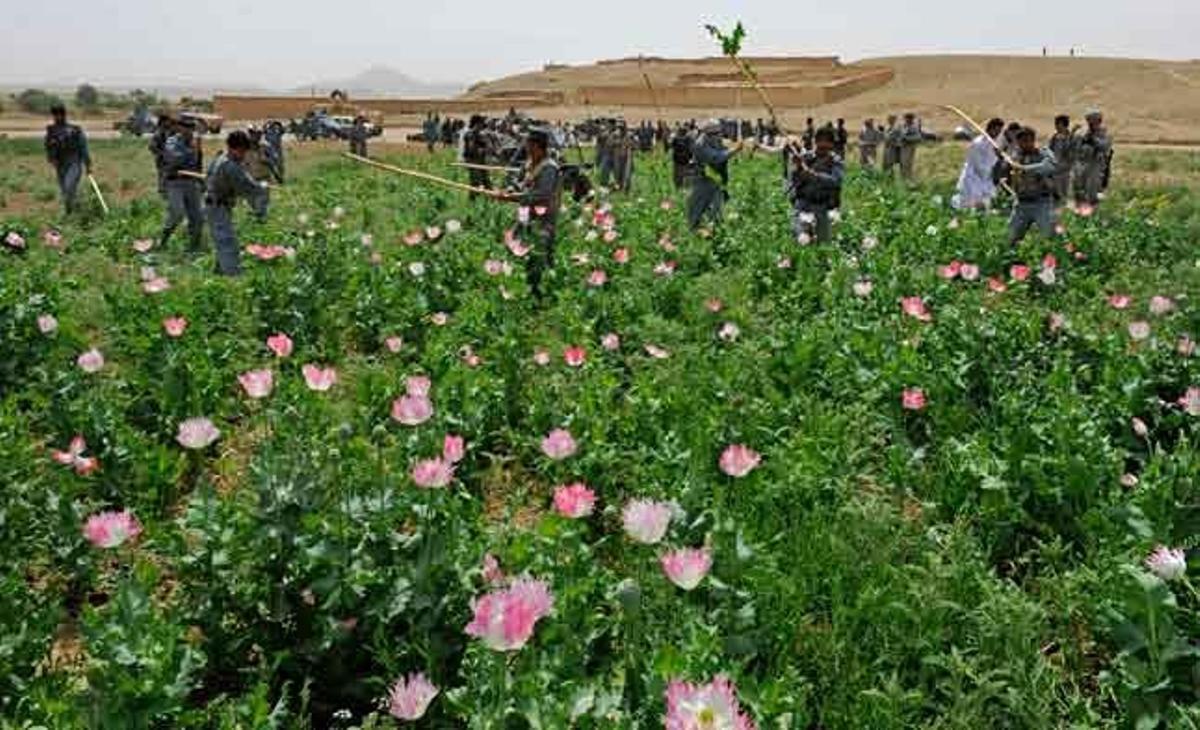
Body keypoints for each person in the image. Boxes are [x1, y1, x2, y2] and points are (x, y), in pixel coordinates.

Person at [492, 129, 560, 299]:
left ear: (538, 146)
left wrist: (514, 197)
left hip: (543, 218)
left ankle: (542, 292)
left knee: (540, 252)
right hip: (525, 215)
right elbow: (519, 183)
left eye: (529, 144)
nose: (526, 148)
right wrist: (509, 190)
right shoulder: (529, 164)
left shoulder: (549, 168)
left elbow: (542, 195)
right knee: (515, 246)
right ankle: (522, 287)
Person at [205, 131, 269, 276]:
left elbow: (208, 177)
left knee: (223, 240)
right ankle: (234, 277)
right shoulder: (230, 166)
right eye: (243, 151)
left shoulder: (220, 158)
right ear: (237, 149)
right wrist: (262, 187)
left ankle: (219, 272)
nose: (244, 155)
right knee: (227, 243)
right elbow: (247, 187)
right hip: (217, 207)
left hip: (217, 205)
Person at [995, 126, 1059, 245]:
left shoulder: (1044, 153)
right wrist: (1001, 158)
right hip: (1021, 204)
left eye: (1027, 141)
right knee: (1010, 237)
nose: (1024, 145)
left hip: (1042, 203)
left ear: (1033, 140)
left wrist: (1025, 168)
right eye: (1021, 142)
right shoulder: (1016, 155)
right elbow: (1007, 168)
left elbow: (1050, 167)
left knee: (1048, 237)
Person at [786, 127, 844, 243]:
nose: (823, 147)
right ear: (815, 142)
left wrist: (813, 175)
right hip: (803, 206)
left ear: (831, 145)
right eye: (820, 142)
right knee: (802, 242)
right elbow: (794, 182)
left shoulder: (835, 161)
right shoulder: (806, 158)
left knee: (823, 245)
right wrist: (798, 168)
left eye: (826, 143)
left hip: (822, 208)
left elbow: (835, 181)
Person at [687, 119, 745, 230]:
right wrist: (734, 150)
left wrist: (734, 146)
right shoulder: (700, 144)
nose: (718, 136)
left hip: (716, 182)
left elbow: (724, 149)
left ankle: (714, 235)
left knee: (716, 212)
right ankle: (694, 234)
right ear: (707, 133)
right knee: (697, 212)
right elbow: (716, 158)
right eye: (715, 133)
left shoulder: (714, 140)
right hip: (702, 182)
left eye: (719, 133)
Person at [160, 118, 205, 251]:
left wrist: (201, 181)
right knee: (177, 213)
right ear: (180, 128)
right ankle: (164, 240)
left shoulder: (195, 141)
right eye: (186, 127)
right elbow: (174, 158)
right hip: (175, 182)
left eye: (191, 128)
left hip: (192, 181)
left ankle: (194, 247)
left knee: (197, 217)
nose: (189, 131)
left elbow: (198, 161)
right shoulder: (172, 141)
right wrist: (191, 149)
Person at [43, 104, 92, 215]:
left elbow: (83, 147)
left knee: (69, 187)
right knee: (65, 191)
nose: (58, 117)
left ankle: (73, 210)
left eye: (60, 114)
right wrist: (51, 158)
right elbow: (47, 147)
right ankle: (71, 212)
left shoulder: (75, 130)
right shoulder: (51, 131)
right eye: (55, 115)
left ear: (64, 115)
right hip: (60, 165)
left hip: (74, 162)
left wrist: (88, 164)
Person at [953, 117, 1004, 210]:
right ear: (990, 129)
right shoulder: (978, 143)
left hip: (986, 178)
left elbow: (993, 161)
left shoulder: (995, 143)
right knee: (969, 204)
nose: (997, 134)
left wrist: (998, 157)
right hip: (973, 178)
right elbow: (979, 165)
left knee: (986, 203)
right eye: (996, 131)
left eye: (999, 131)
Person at [1073, 109, 1111, 209]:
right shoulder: (1081, 132)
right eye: (1090, 120)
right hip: (1081, 164)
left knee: (1092, 190)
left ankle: (1092, 211)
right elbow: (1074, 148)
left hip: (1095, 165)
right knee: (1079, 189)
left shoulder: (1103, 133)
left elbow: (1105, 146)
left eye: (1095, 120)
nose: (1092, 122)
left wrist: (1093, 140)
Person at [461, 115, 494, 199]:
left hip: (481, 161)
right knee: (475, 182)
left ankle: (490, 198)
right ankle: (473, 200)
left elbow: (488, 147)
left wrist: (485, 148)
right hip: (473, 161)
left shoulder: (481, 135)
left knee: (486, 181)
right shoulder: (470, 134)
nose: (482, 125)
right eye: (480, 123)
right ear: (476, 124)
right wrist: (481, 149)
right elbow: (471, 149)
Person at [1046, 115, 1073, 205]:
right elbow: (1049, 150)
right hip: (1055, 169)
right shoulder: (1054, 137)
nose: (1056, 126)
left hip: (1065, 170)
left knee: (1063, 193)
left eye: (1058, 124)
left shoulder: (1070, 138)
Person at [149, 115, 172, 198]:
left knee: (166, 176)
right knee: (162, 175)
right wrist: (162, 153)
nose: (169, 123)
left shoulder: (167, 132)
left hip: (168, 159)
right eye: (168, 121)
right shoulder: (158, 133)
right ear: (163, 122)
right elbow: (151, 146)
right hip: (162, 159)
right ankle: (163, 192)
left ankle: (165, 192)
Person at [898, 113, 923, 181]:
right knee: (902, 164)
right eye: (906, 118)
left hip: (909, 147)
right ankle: (903, 178)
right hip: (903, 147)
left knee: (907, 164)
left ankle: (908, 179)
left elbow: (918, 137)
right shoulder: (903, 126)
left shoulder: (914, 127)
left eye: (908, 118)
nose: (906, 120)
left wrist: (907, 138)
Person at [669, 124, 694, 190]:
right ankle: (685, 188)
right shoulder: (689, 139)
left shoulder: (675, 139)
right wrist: (691, 158)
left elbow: (671, 146)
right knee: (686, 175)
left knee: (677, 176)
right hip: (686, 160)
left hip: (677, 160)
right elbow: (691, 149)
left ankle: (678, 188)